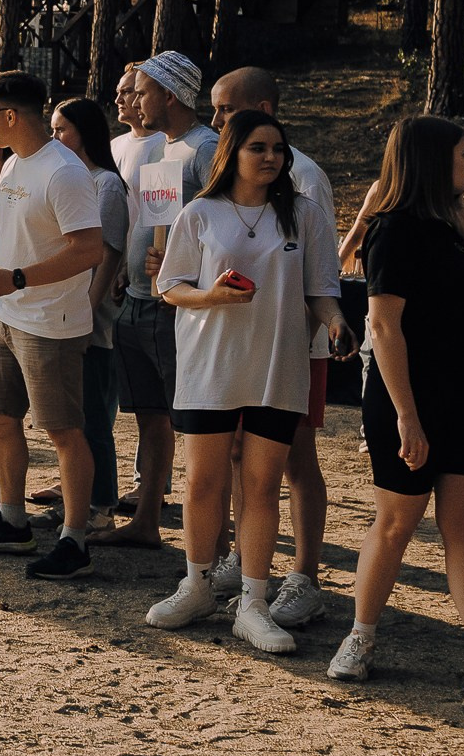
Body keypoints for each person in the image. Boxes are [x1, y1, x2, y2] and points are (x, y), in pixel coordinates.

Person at [145, 110, 349, 653]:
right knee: (202, 482)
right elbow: (170, 287)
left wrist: (333, 319)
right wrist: (211, 296)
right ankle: (197, 586)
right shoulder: (200, 212)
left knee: (261, 486)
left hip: (278, 368)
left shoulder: (303, 215)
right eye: (258, 147)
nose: (271, 158)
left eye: (278, 149)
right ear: (231, 152)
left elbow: (322, 287)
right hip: (209, 364)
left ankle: (253, 604)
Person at [327, 116, 464, 714]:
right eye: (461, 154)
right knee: (396, 524)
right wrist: (408, 416)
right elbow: (383, 325)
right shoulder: (394, 229)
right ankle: (361, 636)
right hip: (408, 399)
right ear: (432, 161)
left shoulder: (454, 226)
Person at [0, 72, 109, 579]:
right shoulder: (14, 163)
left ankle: (75, 539)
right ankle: (13, 521)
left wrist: (17, 279)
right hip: (5, 315)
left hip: (51, 322)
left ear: (11, 116)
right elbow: (0, 237)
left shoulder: (63, 172)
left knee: (64, 431)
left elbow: (89, 250)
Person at [208, 66, 338, 626]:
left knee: (294, 458)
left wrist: (319, 334)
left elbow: (321, 274)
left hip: (295, 347)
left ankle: (305, 575)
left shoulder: (304, 177)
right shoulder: (222, 169)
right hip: (238, 342)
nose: (215, 120)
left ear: (264, 106)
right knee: (240, 451)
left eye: (226, 109)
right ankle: (246, 554)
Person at [101, 50, 219, 550]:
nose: (134, 100)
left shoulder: (206, 149)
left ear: (170, 95)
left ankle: (212, 542)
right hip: (138, 301)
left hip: (179, 309)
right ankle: (148, 520)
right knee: (150, 417)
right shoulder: (156, 150)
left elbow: (231, 222)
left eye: (142, 92)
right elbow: (151, 221)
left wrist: (183, 268)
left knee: (192, 425)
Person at [51, 97, 127, 531]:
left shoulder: (106, 185)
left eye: (62, 129)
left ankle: (100, 508)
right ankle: (75, 496)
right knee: (72, 416)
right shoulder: (71, 178)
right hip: (64, 316)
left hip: (90, 324)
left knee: (94, 417)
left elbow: (108, 256)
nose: (55, 136)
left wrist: (87, 314)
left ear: (84, 130)